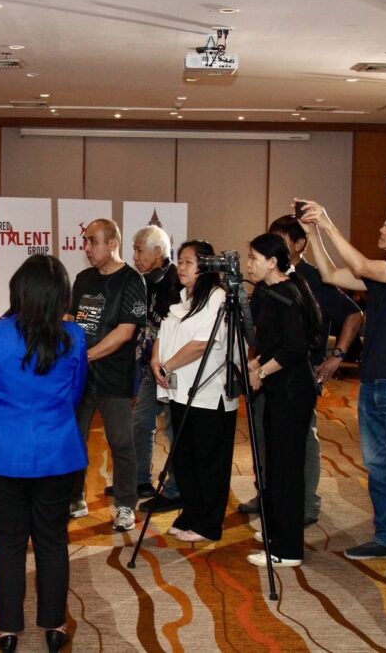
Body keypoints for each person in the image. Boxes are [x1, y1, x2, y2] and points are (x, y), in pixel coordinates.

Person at [299, 198, 386, 580]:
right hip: (374, 379)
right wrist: (313, 234)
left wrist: (327, 222)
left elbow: (360, 266)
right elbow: (331, 274)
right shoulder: (383, 274)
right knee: (378, 468)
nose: (382, 228)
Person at [0, 255, 88, 653]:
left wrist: (9, 414)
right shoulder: (74, 336)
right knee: (53, 540)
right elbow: (75, 395)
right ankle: (55, 625)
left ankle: (8, 630)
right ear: (61, 296)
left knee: (8, 541)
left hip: (3, 451)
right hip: (57, 452)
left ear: (18, 290)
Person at [237, 215, 363, 526]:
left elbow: (352, 314)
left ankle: (305, 503)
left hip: (295, 378)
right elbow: (263, 334)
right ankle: (268, 495)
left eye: (279, 241)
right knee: (265, 438)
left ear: (297, 245)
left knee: (301, 443)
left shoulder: (309, 279)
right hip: (268, 376)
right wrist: (255, 365)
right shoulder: (265, 285)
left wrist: (336, 355)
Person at [152, 240, 238, 543]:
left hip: (208, 394)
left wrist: (167, 366)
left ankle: (209, 523)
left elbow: (203, 344)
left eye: (188, 262)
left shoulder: (218, 298)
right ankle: (191, 512)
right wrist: (156, 361)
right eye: (180, 261)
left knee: (208, 462)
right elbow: (163, 333)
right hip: (180, 391)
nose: (182, 267)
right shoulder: (182, 297)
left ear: (206, 266)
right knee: (184, 459)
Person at [243, 234, 320, 565]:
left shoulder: (286, 294)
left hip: (292, 391)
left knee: (286, 469)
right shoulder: (274, 291)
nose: (248, 264)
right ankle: (278, 531)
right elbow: (275, 343)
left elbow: (294, 348)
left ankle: (287, 550)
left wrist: (260, 373)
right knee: (276, 465)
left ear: (273, 262)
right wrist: (256, 364)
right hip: (281, 388)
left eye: (254, 258)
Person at [68, 219, 146, 531]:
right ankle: (74, 498)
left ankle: (125, 505)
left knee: (121, 442)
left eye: (93, 241)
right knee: (74, 438)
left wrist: (85, 356)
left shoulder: (132, 280)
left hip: (114, 377)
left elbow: (125, 332)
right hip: (80, 378)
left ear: (112, 243)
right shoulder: (83, 279)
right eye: (85, 241)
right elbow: (71, 317)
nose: (86, 247)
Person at [131, 225, 184, 514]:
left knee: (174, 429)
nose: (135, 257)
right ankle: (141, 480)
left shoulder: (178, 282)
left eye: (140, 250)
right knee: (140, 422)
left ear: (159, 252)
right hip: (150, 365)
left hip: (175, 367)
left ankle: (176, 490)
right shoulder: (144, 281)